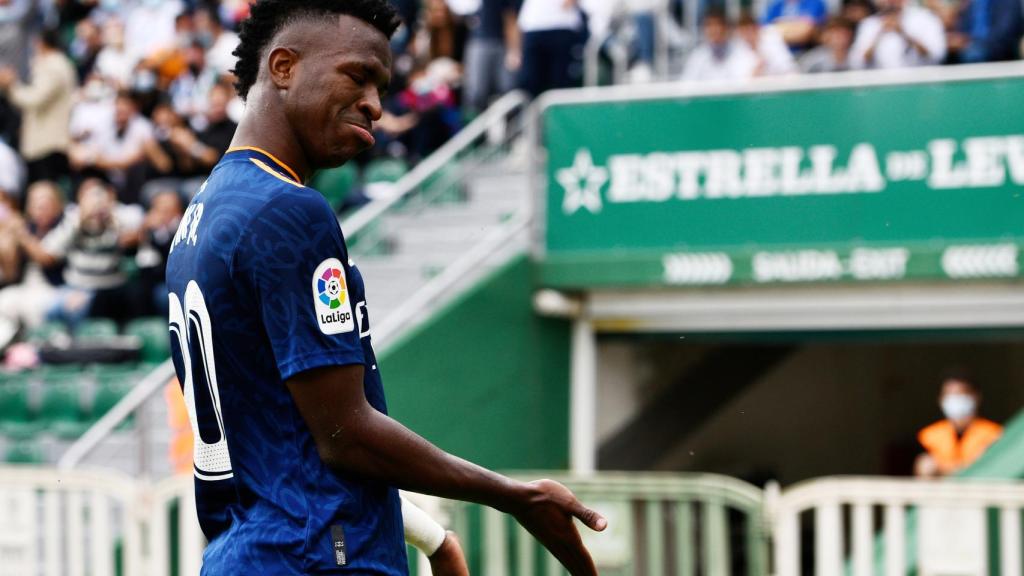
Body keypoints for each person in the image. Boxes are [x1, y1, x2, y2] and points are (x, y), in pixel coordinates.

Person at [164, 1, 606, 575]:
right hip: (313, 558)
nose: (375, 104)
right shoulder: (288, 211)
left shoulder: (201, 218)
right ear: (282, 67)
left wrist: (431, 538)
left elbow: (289, 442)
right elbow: (345, 435)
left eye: (382, 86)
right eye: (358, 75)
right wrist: (516, 496)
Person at [0, 29, 77, 185]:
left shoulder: (53, 65)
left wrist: (11, 85)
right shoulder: (58, 63)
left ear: (40, 43)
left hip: (47, 143)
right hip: (45, 143)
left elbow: (33, 99)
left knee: (44, 189)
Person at [914, 370, 1003, 478]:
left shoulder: (994, 433)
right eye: (950, 394)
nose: (955, 399)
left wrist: (944, 469)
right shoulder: (928, 435)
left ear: (976, 396)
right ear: (941, 399)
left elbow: (993, 468)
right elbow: (924, 468)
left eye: (961, 394)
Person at [849, 0, 946, 69]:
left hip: (919, 84)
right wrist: (878, 34)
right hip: (881, 87)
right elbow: (857, 62)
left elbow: (937, 55)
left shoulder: (925, 18)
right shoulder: (869, 24)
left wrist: (903, 33)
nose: (891, 1)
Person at [682, 8, 759, 82]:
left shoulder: (739, 52)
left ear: (726, 28)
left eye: (718, 25)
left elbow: (746, 83)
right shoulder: (698, 56)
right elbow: (686, 85)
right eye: (709, 25)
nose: (714, 30)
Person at [761, 0, 828, 51]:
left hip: (808, 51)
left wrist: (780, 27)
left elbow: (806, 33)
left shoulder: (814, 3)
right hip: (778, 53)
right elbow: (766, 32)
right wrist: (797, 26)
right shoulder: (775, 6)